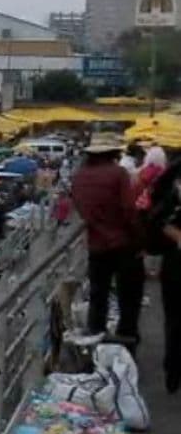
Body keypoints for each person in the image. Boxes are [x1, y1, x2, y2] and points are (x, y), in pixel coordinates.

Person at [71, 143, 145, 345]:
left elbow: (80, 208)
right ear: (112, 154)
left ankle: (97, 336)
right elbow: (129, 209)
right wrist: (139, 239)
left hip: (96, 244)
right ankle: (127, 337)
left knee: (98, 294)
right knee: (129, 296)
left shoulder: (78, 177)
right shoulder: (118, 174)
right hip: (123, 243)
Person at [146, 156, 181, 392]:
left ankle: (173, 368)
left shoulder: (170, 188)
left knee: (174, 317)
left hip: (175, 262)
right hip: (174, 261)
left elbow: (155, 217)